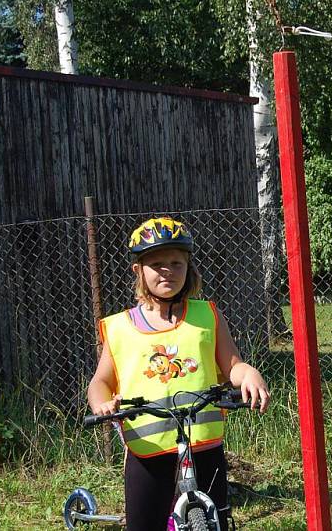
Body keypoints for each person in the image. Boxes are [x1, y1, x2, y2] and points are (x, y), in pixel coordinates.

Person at [87, 217, 270, 531]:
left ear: (189, 268)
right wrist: (101, 403)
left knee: (217, 523)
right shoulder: (119, 327)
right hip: (149, 451)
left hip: (204, 447)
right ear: (138, 271)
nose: (167, 270)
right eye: (157, 264)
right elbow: (100, 382)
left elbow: (232, 366)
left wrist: (249, 373)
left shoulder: (207, 315)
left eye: (176, 262)